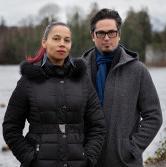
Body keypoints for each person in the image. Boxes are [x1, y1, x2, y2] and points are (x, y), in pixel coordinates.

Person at [3, 22, 106, 167]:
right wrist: (30, 158)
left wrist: (88, 157)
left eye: (67, 40)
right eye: (56, 38)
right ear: (44, 42)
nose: (62, 44)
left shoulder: (83, 80)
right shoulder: (28, 81)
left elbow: (98, 126)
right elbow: (10, 127)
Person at [82, 8, 162, 167]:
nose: (106, 38)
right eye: (101, 33)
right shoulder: (78, 70)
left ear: (119, 34)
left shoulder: (138, 70)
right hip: (85, 161)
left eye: (111, 33)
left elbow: (154, 116)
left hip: (124, 162)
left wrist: (132, 147)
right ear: (93, 36)